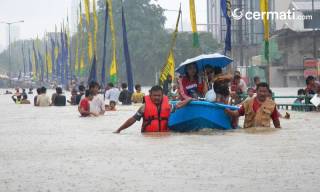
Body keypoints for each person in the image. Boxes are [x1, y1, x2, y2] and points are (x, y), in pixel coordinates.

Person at [114, 86, 192, 133]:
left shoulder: (168, 106)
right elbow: (132, 120)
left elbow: (178, 105)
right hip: (148, 137)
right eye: (154, 95)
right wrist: (119, 129)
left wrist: (189, 99)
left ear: (162, 95)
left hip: (164, 137)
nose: (157, 97)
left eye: (159, 95)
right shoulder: (143, 107)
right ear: (150, 95)